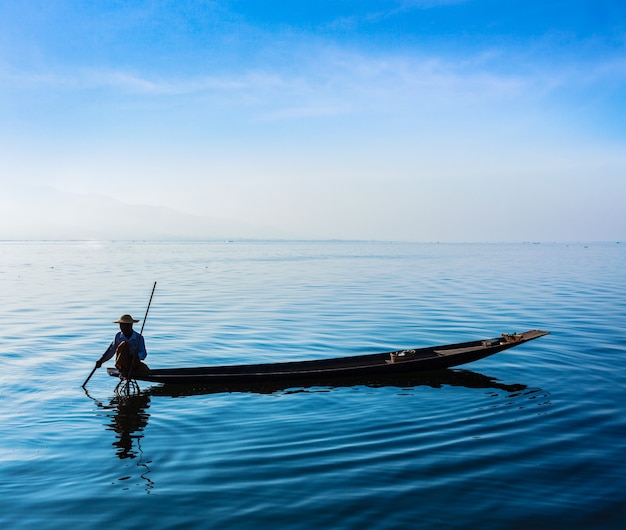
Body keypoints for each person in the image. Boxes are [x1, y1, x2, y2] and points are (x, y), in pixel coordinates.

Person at [96, 314, 150, 378]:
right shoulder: (118, 336)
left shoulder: (138, 337)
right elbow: (111, 351)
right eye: (121, 325)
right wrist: (101, 361)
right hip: (121, 363)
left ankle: (130, 372)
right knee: (124, 344)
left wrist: (138, 355)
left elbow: (143, 353)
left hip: (133, 362)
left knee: (146, 371)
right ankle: (123, 371)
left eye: (125, 325)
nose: (122, 328)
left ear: (130, 326)